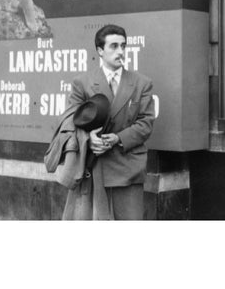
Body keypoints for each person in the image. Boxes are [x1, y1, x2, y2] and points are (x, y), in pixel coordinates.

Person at [62, 24, 155, 220]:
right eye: (114, 46)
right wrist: (89, 138)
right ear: (100, 51)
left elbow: (145, 124)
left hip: (128, 168)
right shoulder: (83, 83)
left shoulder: (141, 83)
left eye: (123, 46)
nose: (120, 51)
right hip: (94, 169)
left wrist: (117, 138)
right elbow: (70, 122)